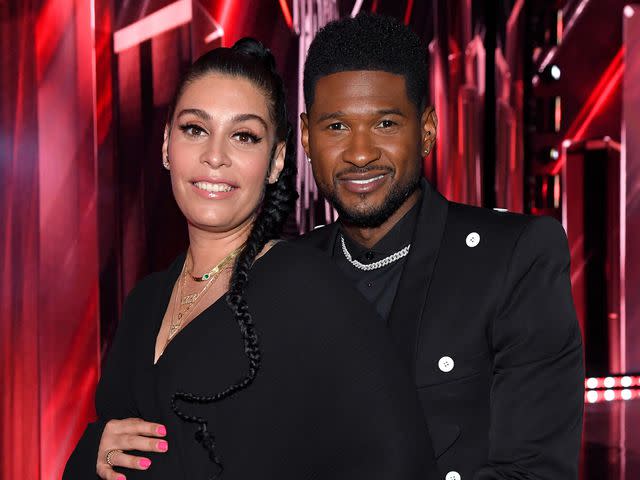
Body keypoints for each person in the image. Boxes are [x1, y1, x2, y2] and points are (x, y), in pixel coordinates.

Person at [63, 38, 439, 480]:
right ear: (167, 144)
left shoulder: (306, 291)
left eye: (243, 136)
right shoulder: (144, 302)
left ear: (276, 161)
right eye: (195, 129)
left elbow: (399, 462)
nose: (215, 156)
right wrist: (95, 452)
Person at [296, 14, 584, 480]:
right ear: (307, 138)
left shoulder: (515, 259)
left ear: (426, 130)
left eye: (386, 123)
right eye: (336, 127)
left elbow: (534, 472)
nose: (361, 152)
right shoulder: (285, 273)